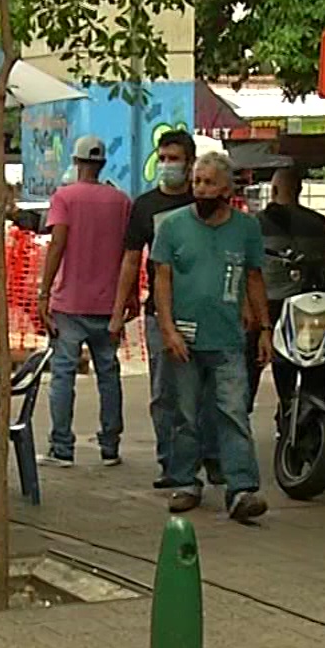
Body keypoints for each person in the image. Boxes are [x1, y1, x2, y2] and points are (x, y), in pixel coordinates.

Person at [152, 151, 271, 522]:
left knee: (233, 412)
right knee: (186, 414)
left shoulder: (246, 229)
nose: (200, 189)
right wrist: (168, 329)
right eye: (196, 182)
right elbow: (163, 280)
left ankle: (242, 488)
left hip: (228, 340)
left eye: (208, 183)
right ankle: (186, 481)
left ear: (225, 189)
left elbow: (254, 278)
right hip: (183, 339)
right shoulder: (171, 227)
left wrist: (264, 328)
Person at [109, 129, 218, 489]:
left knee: (206, 390)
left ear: (189, 164)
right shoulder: (145, 206)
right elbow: (130, 258)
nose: (168, 165)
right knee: (163, 392)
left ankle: (207, 456)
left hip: (206, 312)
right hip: (160, 312)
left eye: (175, 159)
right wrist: (119, 307)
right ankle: (170, 463)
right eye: (164, 158)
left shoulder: (202, 200)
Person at [37, 136, 132, 467]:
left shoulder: (64, 198)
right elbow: (128, 254)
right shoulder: (121, 202)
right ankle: (110, 446)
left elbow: (57, 243)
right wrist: (128, 298)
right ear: (103, 163)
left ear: (76, 162)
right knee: (109, 373)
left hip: (69, 303)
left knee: (63, 374)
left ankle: (62, 447)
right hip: (108, 304)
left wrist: (44, 291)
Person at [252, 164, 325, 412]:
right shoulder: (320, 225)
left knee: (253, 368)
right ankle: (302, 411)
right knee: (307, 368)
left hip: (267, 306)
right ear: (299, 190)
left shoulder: (256, 224)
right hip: (310, 307)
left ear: (274, 189)